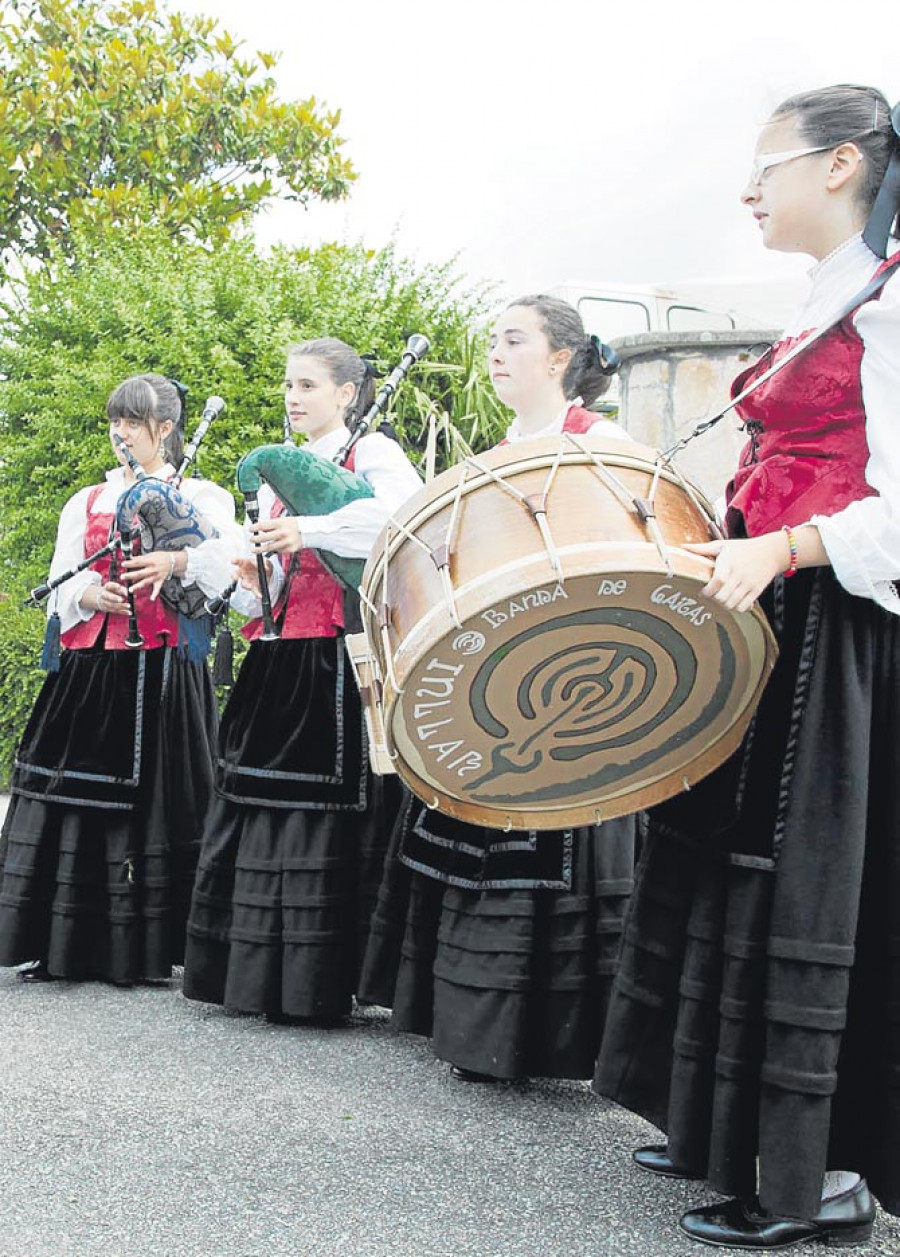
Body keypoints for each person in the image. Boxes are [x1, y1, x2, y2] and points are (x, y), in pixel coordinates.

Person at [593, 83, 900, 1249]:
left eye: (764, 166)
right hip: (769, 611)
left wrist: (779, 545)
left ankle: (820, 1180)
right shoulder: (832, 297)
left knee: (803, 881)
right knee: (721, 858)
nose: (747, 189)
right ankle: (730, 1128)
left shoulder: (892, 301)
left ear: (837, 166)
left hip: (838, 626)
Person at [357, 294, 642, 1083]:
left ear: (560, 358)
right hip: (498, 672)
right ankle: (478, 1030)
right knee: (481, 839)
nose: (496, 351)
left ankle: (561, 1039)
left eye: (514, 340)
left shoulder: (602, 439)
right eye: (493, 339)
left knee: (562, 840)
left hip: (578, 668)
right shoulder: (492, 452)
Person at [182, 337, 421, 1023]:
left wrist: (308, 527)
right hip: (277, 655)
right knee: (254, 804)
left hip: (338, 659)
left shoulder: (371, 454)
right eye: (289, 384)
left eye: (309, 385)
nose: (293, 397)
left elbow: (399, 522)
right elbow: (268, 588)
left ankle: (318, 981)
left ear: (347, 394)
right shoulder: (270, 480)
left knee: (323, 818)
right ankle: (251, 977)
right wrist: (238, 575)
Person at [0, 373, 240, 986]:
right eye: (115, 421)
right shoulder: (84, 501)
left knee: (160, 804)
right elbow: (59, 586)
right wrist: (89, 593)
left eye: (132, 423)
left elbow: (225, 573)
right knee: (70, 798)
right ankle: (63, 944)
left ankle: (148, 948)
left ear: (165, 429)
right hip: (91, 666)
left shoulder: (206, 495)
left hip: (163, 665)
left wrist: (178, 553)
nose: (120, 433)